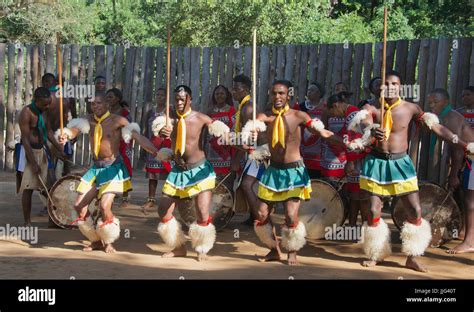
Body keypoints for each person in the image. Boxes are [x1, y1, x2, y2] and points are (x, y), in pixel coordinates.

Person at [347, 71, 473, 272]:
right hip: (376, 164)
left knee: (415, 210)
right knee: (372, 211)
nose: (390, 87)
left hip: (400, 164)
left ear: (400, 86)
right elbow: (362, 121)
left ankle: (412, 256)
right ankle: (376, 253)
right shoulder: (371, 108)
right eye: (386, 84)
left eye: (394, 84)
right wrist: (371, 129)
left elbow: (436, 127)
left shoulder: (411, 108)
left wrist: (463, 144)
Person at [248, 79, 338, 265]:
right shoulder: (265, 116)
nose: (277, 97)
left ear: (288, 95)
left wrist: (345, 143)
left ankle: (292, 251)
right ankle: (274, 249)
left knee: (290, 215)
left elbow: (320, 131)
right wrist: (251, 131)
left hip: (294, 172)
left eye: (281, 93)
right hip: (273, 171)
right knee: (262, 213)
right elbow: (252, 128)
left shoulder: (299, 115)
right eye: (274, 93)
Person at [57, 91, 159, 253]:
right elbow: (75, 130)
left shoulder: (118, 120)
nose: (95, 106)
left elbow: (137, 137)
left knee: (105, 206)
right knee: (78, 205)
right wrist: (67, 135)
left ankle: (108, 240)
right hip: (96, 169)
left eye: (98, 103)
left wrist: (155, 152)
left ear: (107, 105)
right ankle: (95, 239)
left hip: (113, 168)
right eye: (92, 103)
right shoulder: (88, 121)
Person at [153, 85, 230, 261]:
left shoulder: (201, 118)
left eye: (183, 98)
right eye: (176, 99)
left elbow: (222, 133)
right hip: (178, 171)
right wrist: (161, 131)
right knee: (163, 211)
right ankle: (178, 247)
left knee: (202, 211)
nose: (179, 102)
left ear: (190, 99)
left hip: (200, 170)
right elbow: (157, 131)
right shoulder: (168, 118)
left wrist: (242, 138)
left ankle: (202, 248)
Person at [427, 88, 474, 254]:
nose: (432, 105)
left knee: (470, 200)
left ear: (445, 102)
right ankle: (467, 234)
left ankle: (469, 242)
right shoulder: (446, 117)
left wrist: (453, 174)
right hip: (469, 159)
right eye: (430, 102)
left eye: (435, 102)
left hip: (471, 158)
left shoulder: (451, 118)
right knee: (467, 197)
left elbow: (458, 150)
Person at [17, 87, 66, 226]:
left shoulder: (44, 112)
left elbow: (49, 132)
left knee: (50, 185)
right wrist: (32, 162)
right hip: (29, 152)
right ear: (36, 100)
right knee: (29, 188)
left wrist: (59, 149)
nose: (48, 106)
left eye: (49, 103)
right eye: (45, 104)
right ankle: (27, 222)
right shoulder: (26, 113)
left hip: (43, 151)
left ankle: (53, 220)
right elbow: (25, 139)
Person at [324, 92, 369, 226]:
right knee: (356, 196)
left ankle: (359, 228)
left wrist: (350, 162)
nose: (335, 116)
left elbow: (355, 142)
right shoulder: (353, 113)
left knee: (359, 197)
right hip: (358, 159)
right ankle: (354, 227)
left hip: (358, 161)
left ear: (336, 105)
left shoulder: (352, 115)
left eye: (333, 113)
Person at [230, 74, 264, 225]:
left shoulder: (248, 108)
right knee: (246, 184)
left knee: (246, 184)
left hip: (260, 152)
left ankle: (260, 218)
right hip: (254, 151)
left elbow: (249, 139)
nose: (233, 92)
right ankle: (254, 215)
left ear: (245, 90)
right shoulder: (244, 107)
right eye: (233, 88)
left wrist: (236, 157)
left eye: (236, 89)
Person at [142, 88, 172, 213]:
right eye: (157, 94)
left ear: (166, 97)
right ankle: (151, 199)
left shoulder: (170, 111)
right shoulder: (151, 112)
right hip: (152, 146)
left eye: (162, 95)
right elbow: (145, 128)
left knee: (168, 173)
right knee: (152, 175)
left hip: (166, 145)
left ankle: (168, 199)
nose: (159, 97)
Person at [106, 88, 133, 208]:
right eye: (107, 97)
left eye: (110, 97)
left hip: (123, 143)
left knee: (125, 168)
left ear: (117, 99)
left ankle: (125, 197)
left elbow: (130, 129)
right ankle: (107, 194)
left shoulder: (125, 113)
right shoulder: (106, 111)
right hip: (109, 143)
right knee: (108, 168)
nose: (108, 99)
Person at [294, 81, 326, 178]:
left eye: (312, 90)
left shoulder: (325, 107)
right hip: (303, 143)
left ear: (319, 93)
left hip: (320, 144)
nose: (309, 92)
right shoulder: (300, 107)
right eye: (308, 90)